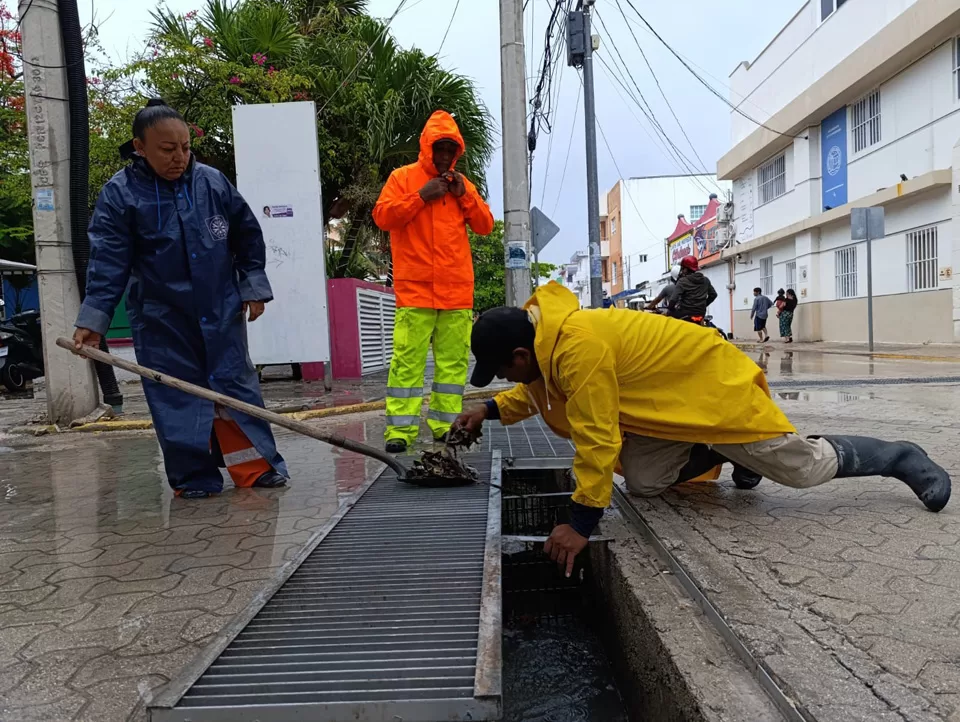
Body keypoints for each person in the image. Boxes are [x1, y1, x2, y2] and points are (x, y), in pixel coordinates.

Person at [455, 283, 951, 575]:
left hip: (712, 390)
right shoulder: (548, 343)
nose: (505, 381)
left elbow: (597, 438)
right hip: (672, 409)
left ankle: (898, 456)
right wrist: (488, 411)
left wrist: (579, 523)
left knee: (801, 469)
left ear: (521, 355)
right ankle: (725, 454)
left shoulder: (575, 349)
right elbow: (538, 392)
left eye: (502, 372)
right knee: (646, 481)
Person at [73, 99, 287, 499]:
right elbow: (107, 263)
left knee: (234, 389)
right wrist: (94, 319)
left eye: (186, 148)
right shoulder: (120, 195)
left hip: (220, 309)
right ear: (140, 146)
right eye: (168, 150)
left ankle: (255, 469)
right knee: (177, 397)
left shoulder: (212, 183)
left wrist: (252, 287)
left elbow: (246, 236)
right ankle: (194, 479)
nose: (180, 158)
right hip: (161, 318)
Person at [373, 109, 494, 453]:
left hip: (456, 292)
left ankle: (445, 426)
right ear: (427, 148)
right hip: (415, 291)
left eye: (449, 150)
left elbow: (485, 225)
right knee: (407, 363)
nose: (443, 156)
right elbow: (382, 217)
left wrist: (464, 195)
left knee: (453, 365)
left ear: (456, 152)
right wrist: (421, 196)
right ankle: (400, 431)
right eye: (438, 149)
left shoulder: (461, 185)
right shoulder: (403, 178)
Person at [668, 255, 717, 320]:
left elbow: (673, 300)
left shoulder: (682, 281)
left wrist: (671, 308)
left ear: (686, 269)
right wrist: (704, 305)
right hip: (701, 314)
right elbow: (713, 295)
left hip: (685, 314)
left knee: (668, 314)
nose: (682, 271)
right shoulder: (706, 280)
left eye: (682, 269)